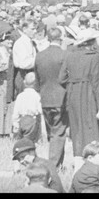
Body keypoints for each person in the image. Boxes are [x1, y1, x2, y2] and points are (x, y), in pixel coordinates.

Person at [58, 28, 99, 163]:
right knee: (91, 126)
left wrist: (73, 81)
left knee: (76, 126)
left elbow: (61, 78)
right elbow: (97, 82)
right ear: (91, 42)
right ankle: (93, 158)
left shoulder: (69, 55)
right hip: (88, 92)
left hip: (73, 92)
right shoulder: (93, 57)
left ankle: (77, 158)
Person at [34, 26, 67, 167]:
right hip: (61, 98)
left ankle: (58, 164)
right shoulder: (65, 55)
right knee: (58, 133)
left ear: (48, 38)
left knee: (52, 133)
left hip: (45, 97)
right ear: (61, 39)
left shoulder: (39, 55)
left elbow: (37, 79)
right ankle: (53, 166)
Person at [11, 72, 42, 142]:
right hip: (32, 120)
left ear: (24, 83)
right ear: (35, 84)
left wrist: (15, 124)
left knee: (21, 138)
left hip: (22, 120)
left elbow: (16, 112)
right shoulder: (36, 96)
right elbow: (40, 110)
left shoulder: (20, 96)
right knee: (32, 138)